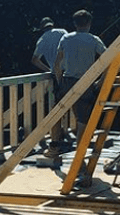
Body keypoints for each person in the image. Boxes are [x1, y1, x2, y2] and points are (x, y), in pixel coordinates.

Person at [50, 9, 106, 152]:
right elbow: (109, 60)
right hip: (86, 82)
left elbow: (57, 64)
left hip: (68, 81)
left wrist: (59, 81)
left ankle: (54, 144)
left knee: (57, 112)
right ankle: (79, 151)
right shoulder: (94, 40)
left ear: (75, 24)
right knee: (83, 119)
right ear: (89, 23)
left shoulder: (66, 38)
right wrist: (101, 81)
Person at [32, 16, 68, 148]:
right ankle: (68, 133)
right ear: (52, 25)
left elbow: (35, 60)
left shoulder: (42, 40)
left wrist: (49, 69)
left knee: (58, 104)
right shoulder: (63, 32)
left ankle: (57, 136)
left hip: (55, 75)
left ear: (42, 29)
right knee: (73, 101)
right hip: (69, 72)